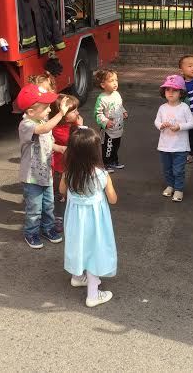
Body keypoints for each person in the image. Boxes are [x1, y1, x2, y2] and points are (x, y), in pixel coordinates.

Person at [60, 127, 118, 308]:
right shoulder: (101, 174)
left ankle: (77, 276)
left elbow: (62, 190)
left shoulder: (68, 172)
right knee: (94, 251)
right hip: (95, 220)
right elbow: (113, 199)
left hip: (75, 218)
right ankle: (93, 295)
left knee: (78, 245)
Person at [16, 83, 69, 249]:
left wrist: (60, 148)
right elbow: (44, 129)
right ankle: (31, 232)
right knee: (34, 208)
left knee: (49, 205)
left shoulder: (42, 120)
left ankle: (48, 228)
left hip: (46, 173)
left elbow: (48, 142)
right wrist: (61, 113)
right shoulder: (27, 125)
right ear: (31, 112)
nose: (48, 110)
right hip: (31, 177)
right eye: (45, 108)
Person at [155, 75, 193, 202]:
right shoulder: (162, 108)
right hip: (164, 146)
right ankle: (170, 186)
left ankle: (178, 189)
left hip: (180, 146)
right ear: (164, 92)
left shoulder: (184, 107)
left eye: (174, 90)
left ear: (181, 92)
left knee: (178, 170)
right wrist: (161, 125)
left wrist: (180, 127)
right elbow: (156, 121)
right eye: (167, 90)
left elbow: (192, 123)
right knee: (167, 169)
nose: (170, 93)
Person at [49, 94, 83, 233]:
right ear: (62, 114)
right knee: (60, 194)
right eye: (74, 111)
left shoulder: (74, 124)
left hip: (73, 166)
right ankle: (58, 217)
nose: (78, 113)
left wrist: (79, 126)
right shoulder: (55, 128)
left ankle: (71, 215)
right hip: (59, 167)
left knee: (73, 192)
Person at [94, 69, 128, 173]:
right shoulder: (102, 98)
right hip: (108, 131)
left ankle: (114, 161)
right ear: (103, 85)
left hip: (118, 128)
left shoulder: (117, 94)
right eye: (111, 81)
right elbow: (97, 113)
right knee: (107, 148)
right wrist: (105, 122)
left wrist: (123, 111)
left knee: (116, 146)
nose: (115, 83)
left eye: (116, 80)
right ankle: (105, 164)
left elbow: (119, 106)